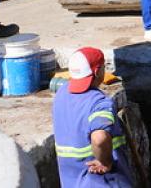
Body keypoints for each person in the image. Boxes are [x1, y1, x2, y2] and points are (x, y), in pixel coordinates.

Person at [52, 47, 133, 187]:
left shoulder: (61, 94)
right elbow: (100, 139)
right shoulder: (99, 103)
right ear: (97, 71)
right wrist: (105, 162)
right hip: (103, 182)